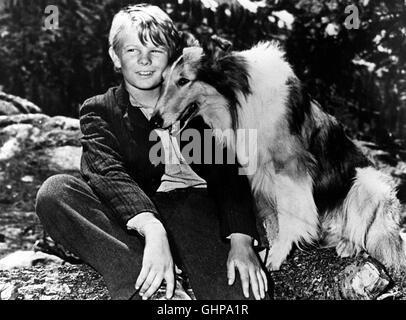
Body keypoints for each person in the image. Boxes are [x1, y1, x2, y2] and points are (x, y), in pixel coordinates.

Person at [35, 3, 269, 300]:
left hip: (197, 210)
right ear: (115, 57)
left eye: (155, 50)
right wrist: (152, 227)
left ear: (171, 55)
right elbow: (105, 171)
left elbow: (227, 170)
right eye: (132, 51)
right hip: (138, 216)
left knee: (238, 297)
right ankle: (153, 290)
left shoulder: (195, 101)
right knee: (56, 191)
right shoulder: (100, 109)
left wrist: (242, 240)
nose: (144, 60)